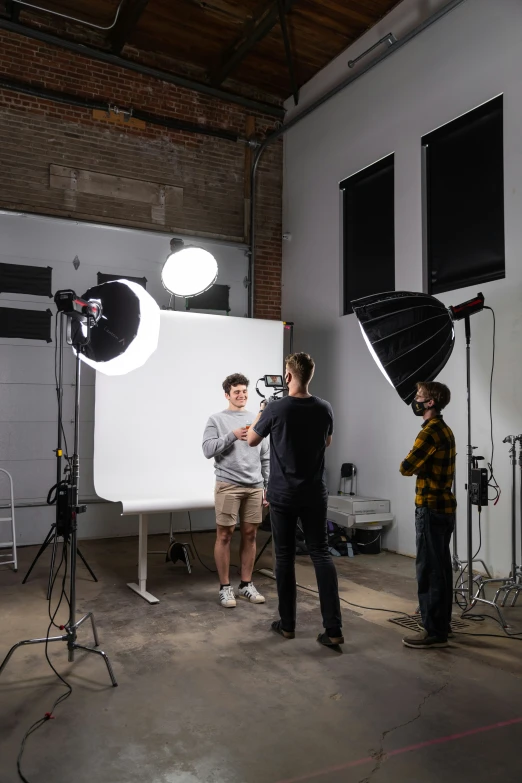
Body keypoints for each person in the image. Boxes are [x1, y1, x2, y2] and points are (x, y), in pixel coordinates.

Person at [247, 353, 343, 648]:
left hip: (283, 495)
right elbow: (326, 442)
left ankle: (287, 625)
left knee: (284, 558)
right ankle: (333, 629)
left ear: (288, 376)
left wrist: (261, 412)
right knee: (321, 555)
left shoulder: (275, 409)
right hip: (315, 494)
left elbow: (251, 439)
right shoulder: (324, 408)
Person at [202, 373, 269, 608]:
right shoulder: (216, 419)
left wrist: (267, 486)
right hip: (228, 485)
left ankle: (246, 584)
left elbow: (266, 456)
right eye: (236, 392)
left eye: (244, 391)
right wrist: (232, 436)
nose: (241, 395)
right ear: (227, 395)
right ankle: (225, 587)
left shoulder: (258, 418)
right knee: (225, 535)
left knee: (250, 535)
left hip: (254, 486)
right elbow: (208, 449)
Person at [400, 381, 456, 649]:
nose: (416, 400)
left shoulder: (429, 433)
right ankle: (442, 625)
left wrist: (411, 464)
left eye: (420, 396)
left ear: (430, 403)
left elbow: (406, 467)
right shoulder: (446, 430)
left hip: (430, 508)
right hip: (445, 508)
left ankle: (433, 632)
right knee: (442, 569)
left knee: (429, 571)